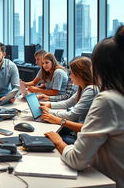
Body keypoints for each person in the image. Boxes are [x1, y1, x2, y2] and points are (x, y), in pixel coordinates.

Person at [45, 26, 124, 188]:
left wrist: (58, 140)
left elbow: (77, 160)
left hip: (106, 182)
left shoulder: (107, 100)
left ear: (99, 67)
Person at [40, 56, 99, 144]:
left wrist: (50, 112)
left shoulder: (90, 90)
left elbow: (72, 115)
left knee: (46, 139)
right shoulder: (83, 88)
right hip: (78, 132)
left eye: (71, 72)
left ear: (79, 74)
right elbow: (68, 103)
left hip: (82, 138)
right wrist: (49, 105)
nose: (69, 76)